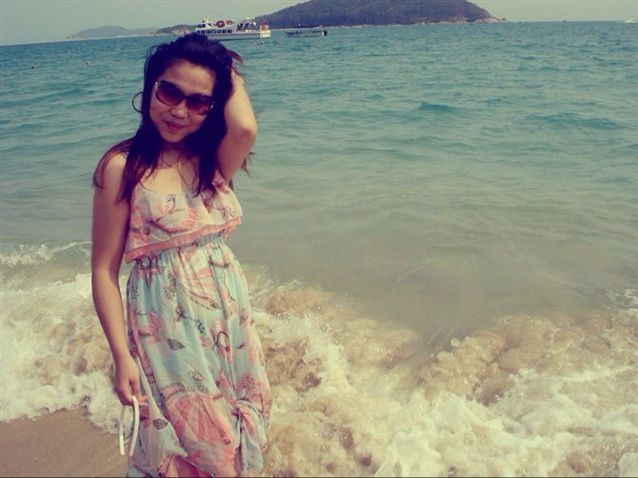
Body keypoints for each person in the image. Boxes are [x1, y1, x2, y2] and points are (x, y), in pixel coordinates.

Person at [91, 33, 271, 477]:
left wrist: (222, 65)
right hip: (165, 330)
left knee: (237, 430)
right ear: (150, 85)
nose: (179, 111)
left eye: (198, 102)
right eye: (169, 92)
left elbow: (245, 128)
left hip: (228, 320)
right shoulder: (123, 168)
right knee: (194, 443)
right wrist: (121, 355)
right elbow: (103, 271)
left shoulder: (210, 161)